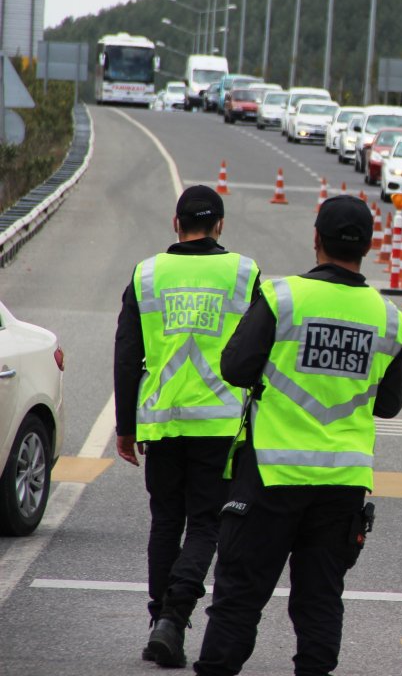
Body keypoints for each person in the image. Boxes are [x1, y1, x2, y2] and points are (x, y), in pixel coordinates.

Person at [193, 195, 402, 676]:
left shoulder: (282, 297)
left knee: (239, 597)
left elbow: (234, 367)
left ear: (316, 241)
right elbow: (390, 404)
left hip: (272, 475)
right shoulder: (390, 317)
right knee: (319, 600)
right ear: (369, 248)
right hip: (342, 485)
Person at [114, 185, 261, 668]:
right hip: (219, 426)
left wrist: (124, 425)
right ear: (220, 226)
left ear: (175, 224)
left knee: (165, 521)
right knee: (205, 524)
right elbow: (262, 350)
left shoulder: (148, 274)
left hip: (161, 422)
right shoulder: (244, 272)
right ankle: (174, 618)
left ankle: (161, 619)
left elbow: (126, 353)